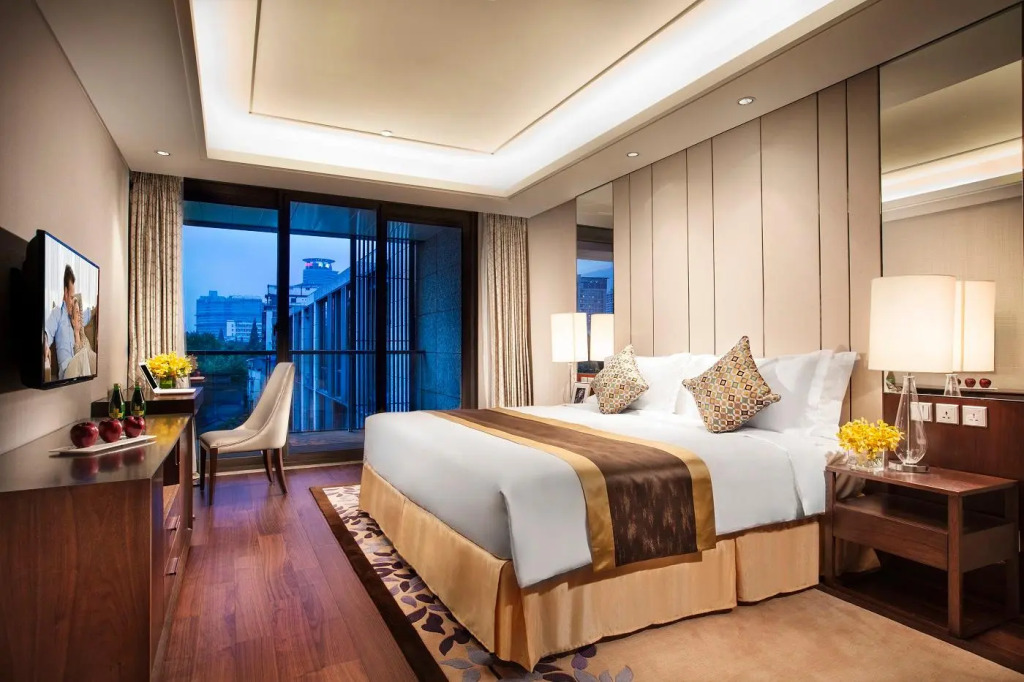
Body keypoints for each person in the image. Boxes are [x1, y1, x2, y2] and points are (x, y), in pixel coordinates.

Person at [44, 265, 93, 380]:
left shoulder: (76, 315)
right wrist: (45, 343)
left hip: (81, 367)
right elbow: (47, 331)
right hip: (67, 369)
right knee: (84, 354)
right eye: (71, 297)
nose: (73, 301)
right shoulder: (57, 313)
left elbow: (88, 314)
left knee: (89, 355)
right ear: (65, 293)